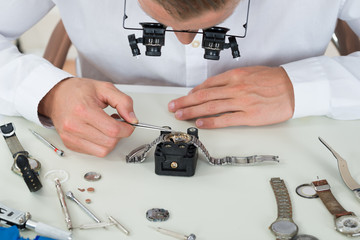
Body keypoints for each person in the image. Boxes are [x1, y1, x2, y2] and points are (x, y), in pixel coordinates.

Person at [0, 0, 359, 157]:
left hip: (296, 142)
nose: (186, 40)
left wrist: (306, 88)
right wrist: (47, 92)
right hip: (107, 155)